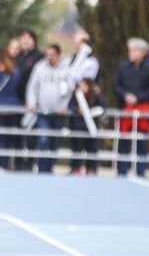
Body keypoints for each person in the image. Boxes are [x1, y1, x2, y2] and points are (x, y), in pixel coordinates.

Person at [114, 38, 149, 177]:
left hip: (142, 108)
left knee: (141, 142)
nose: (131, 53)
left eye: (134, 50)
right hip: (127, 108)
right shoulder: (123, 68)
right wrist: (126, 95)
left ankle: (140, 170)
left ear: (142, 53)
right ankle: (122, 170)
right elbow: (117, 85)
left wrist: (138, 97)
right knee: (124, 141)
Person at [25, 44, 70, 174]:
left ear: (58, 55)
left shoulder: (66, 70)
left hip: (58, 113)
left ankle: (49, 168)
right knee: (43, 139)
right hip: (43, 112)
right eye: (47, 55)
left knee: (55, 142)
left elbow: (69, 91)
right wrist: (32, 102)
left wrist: (64, 105)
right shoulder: (40, 67)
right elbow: (32, 87)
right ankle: (42, 168)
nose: (49, 58)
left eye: (52, 55)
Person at [12, 28, 44, 171]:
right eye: (22, 38)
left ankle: (31, 162)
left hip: (32, 102)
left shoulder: (39, 57)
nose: (24, 41)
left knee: (31, 133)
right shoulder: (17, 57)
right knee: (18, 133)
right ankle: (18, 162)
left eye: (28, 38)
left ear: (34, 40)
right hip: (17, 100)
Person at [68, 78, 104, 175]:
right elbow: (70, 106)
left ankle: (91, 169)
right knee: (77, 149)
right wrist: (77, 109)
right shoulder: (76, 96)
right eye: (80, 85)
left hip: (91, 127)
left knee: (92, 149)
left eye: (84, 85)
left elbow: (102, 107)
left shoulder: (95, 96)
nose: (81, 87)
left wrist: (91, 111)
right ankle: (75, 168)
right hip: (78, 126)